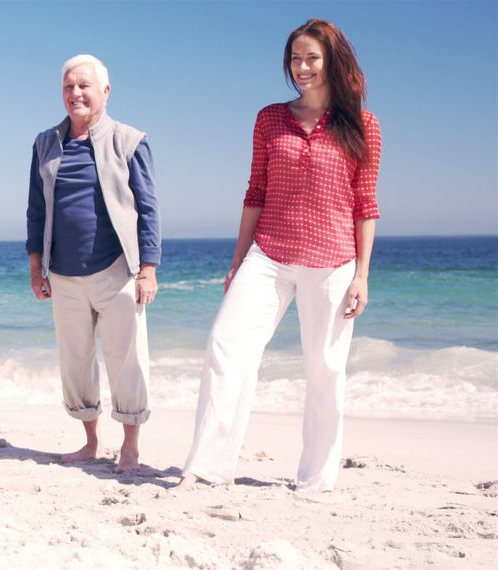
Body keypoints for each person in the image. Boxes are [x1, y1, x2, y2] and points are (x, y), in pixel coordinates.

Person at [179, 19, 382, 492]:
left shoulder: (364, 126)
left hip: (333, 261)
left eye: (312, 57)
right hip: (268, 255)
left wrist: (363, 275)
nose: (303, 67)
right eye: (296, 58)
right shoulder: (270, 118)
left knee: (325, 372)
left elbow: (365, 204)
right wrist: (237, 261)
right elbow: (255, 192)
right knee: (226, 346)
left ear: (332, 60)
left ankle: (316, 481)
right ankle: (208, 467)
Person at [26, 55, 161, 473]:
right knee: (75, 360)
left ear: (105, 91)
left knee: (127, 359)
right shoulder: (45, 143)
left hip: (116, 268)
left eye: (84, 86)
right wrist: (36, 266)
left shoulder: (130, 140)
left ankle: (131, 446)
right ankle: (90, 442)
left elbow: (148, 208)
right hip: (64, 273)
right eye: (68, 87)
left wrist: (149, 268)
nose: (75, 94)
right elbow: (35, 209)